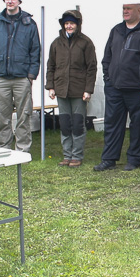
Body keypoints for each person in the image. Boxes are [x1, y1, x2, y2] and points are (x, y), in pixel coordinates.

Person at [95, 3, 140, 171]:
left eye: (129, 8)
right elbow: (107, 57)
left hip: (137, 89)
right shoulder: (116, 30)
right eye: (124, 8)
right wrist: (108, 79)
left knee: (139, 125)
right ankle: (109, 159)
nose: (125, 11)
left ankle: (134, 159)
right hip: (115, 87)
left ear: (139, 10)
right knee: (112, 124)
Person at [0, 0, 41, 153]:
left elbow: (35, 50)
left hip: (22, 78)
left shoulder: (29, 24)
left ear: (19, 2)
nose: (10, 2)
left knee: (24, 116)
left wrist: (31, 75)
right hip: (0, 78)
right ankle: (4, 148)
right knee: (3, 116)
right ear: (4, 1)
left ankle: (22, 149)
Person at [46, 9, 98, 167]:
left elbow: (91, 68)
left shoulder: (86, 42)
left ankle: (77, 155)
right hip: (61, 89)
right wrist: (50, 86)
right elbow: (51, 66)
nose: (69, 26)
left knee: (77, 123)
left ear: (78, 25)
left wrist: (88, 90)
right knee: (65, 123)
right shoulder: (56, 43)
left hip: (79, 90)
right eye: (66, 23)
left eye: (72, 23)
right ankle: (67, 155)